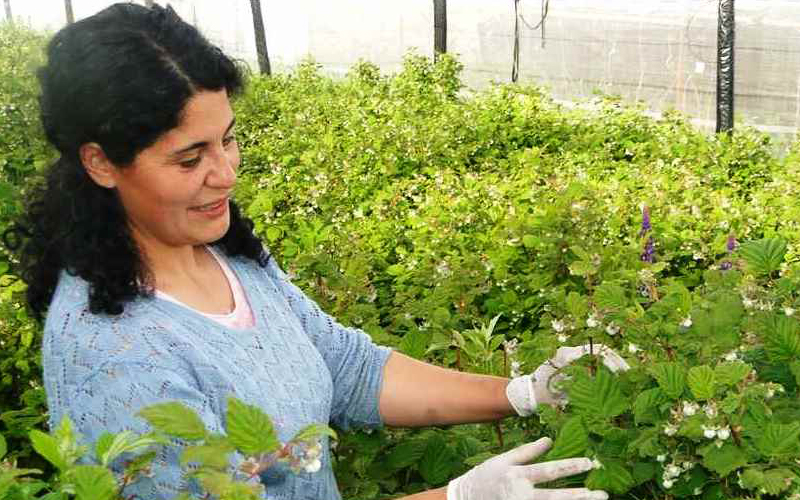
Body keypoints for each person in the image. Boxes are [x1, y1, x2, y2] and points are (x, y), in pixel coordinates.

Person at [4, 4, 629, 500]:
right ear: (99, 162)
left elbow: (345, 368)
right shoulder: (114, 355)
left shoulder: (221, 250)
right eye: (190, 158)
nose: (225, 174)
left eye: (227, 140)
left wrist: (521, 391)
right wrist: (458, 497)